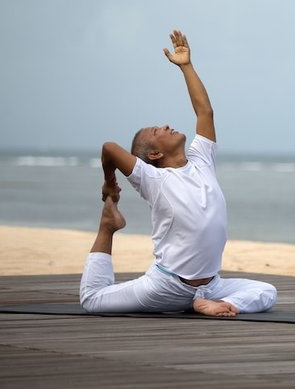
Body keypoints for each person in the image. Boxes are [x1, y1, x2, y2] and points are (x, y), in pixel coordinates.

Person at [80, 30, 277, 317]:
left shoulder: (202, 160)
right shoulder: (152, 179)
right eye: (157, 131)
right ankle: (107, 226)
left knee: (267, 291)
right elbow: (109, 148)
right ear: (154, 155)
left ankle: (220, 305)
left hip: (210, 287)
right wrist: (110, 185)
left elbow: (204, 112)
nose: (166, 125)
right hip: (166, 287)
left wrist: (186, 66)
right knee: (92, 300)